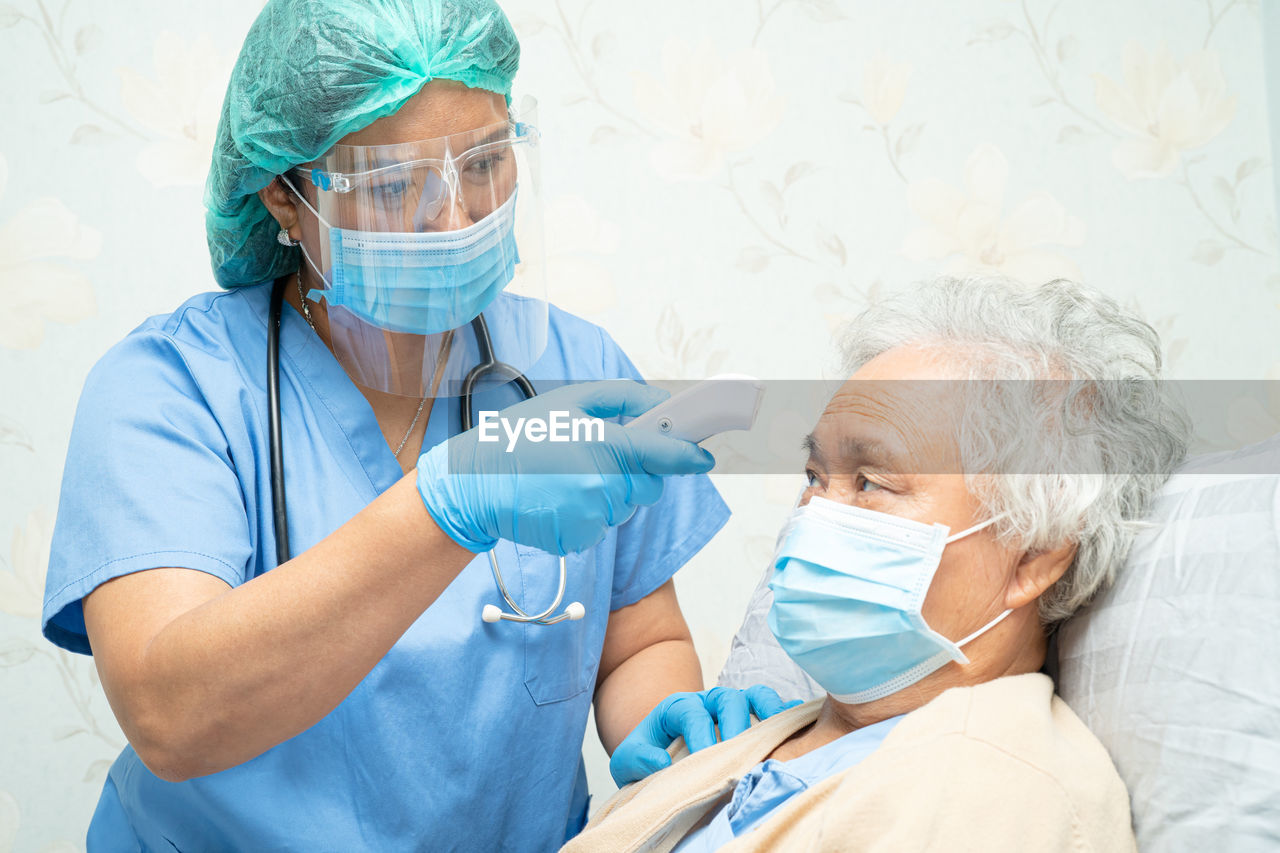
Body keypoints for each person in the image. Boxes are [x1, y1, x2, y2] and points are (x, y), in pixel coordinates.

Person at [39, 1, 786, 849]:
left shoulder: (579, 368)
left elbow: (635, 638)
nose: (456, 216)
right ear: (286, 197)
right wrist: (450, 501)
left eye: (485, 163)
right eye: (395, 184)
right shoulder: (174, 389)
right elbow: (169, 714)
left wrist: (673, 732)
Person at [562, 275, 1190, 853]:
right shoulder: (770, 736)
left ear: (1034, 554)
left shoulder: (998, 795)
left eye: (870, 481)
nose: (813, 516)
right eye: (816, 476)